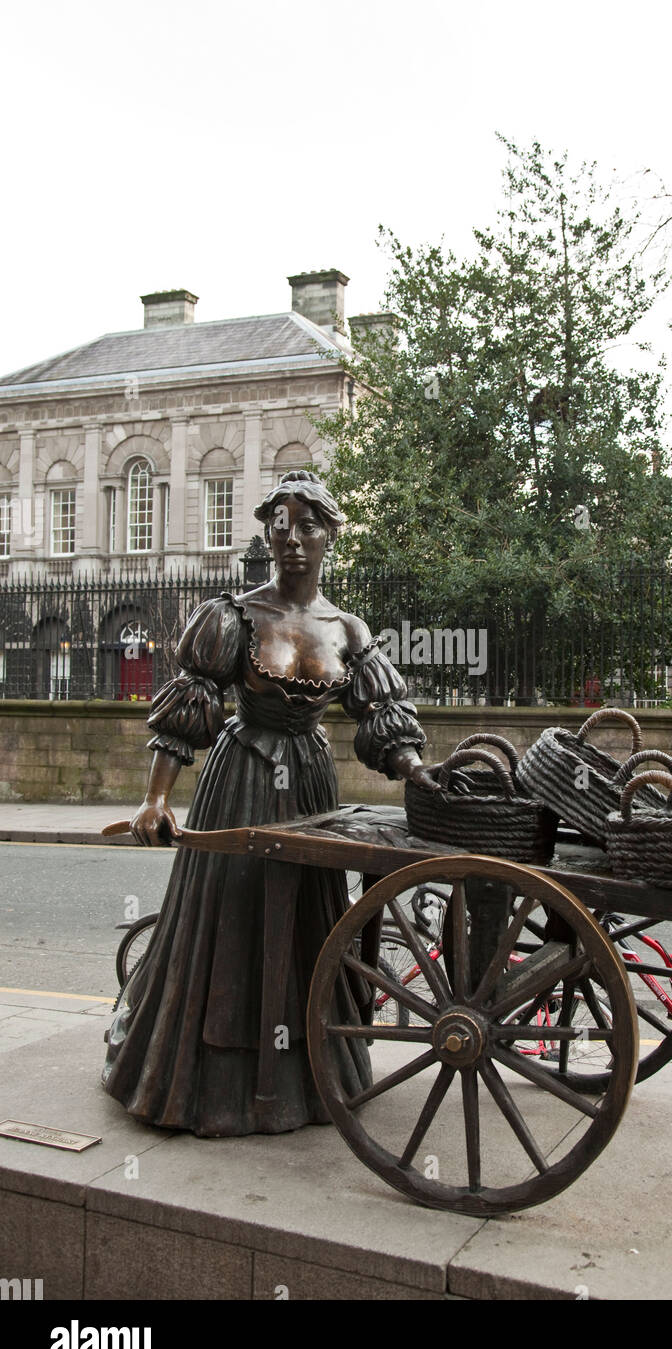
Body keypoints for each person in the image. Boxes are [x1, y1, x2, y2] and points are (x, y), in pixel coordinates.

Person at [102, 470, 434, 1137]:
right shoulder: (233, 615)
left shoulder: (348, 627)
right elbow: (189, 707)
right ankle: (206, 1082)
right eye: (277, 525)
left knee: (309, 921)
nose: (291, 538)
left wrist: (417, 771)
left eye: (307, 524)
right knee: (229, 916)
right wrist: (156, 800)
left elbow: (382, 713)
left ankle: (304, 1083)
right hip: (242, 784)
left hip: (310, 785)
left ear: (331, 535)